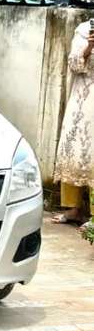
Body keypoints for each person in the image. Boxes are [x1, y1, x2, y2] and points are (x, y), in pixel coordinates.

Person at [52, 19, 94, 229]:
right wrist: (89, 47)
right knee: (74, 149)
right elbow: (74, 64)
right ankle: (74, 208)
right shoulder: (84, 30)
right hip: (83, 99)